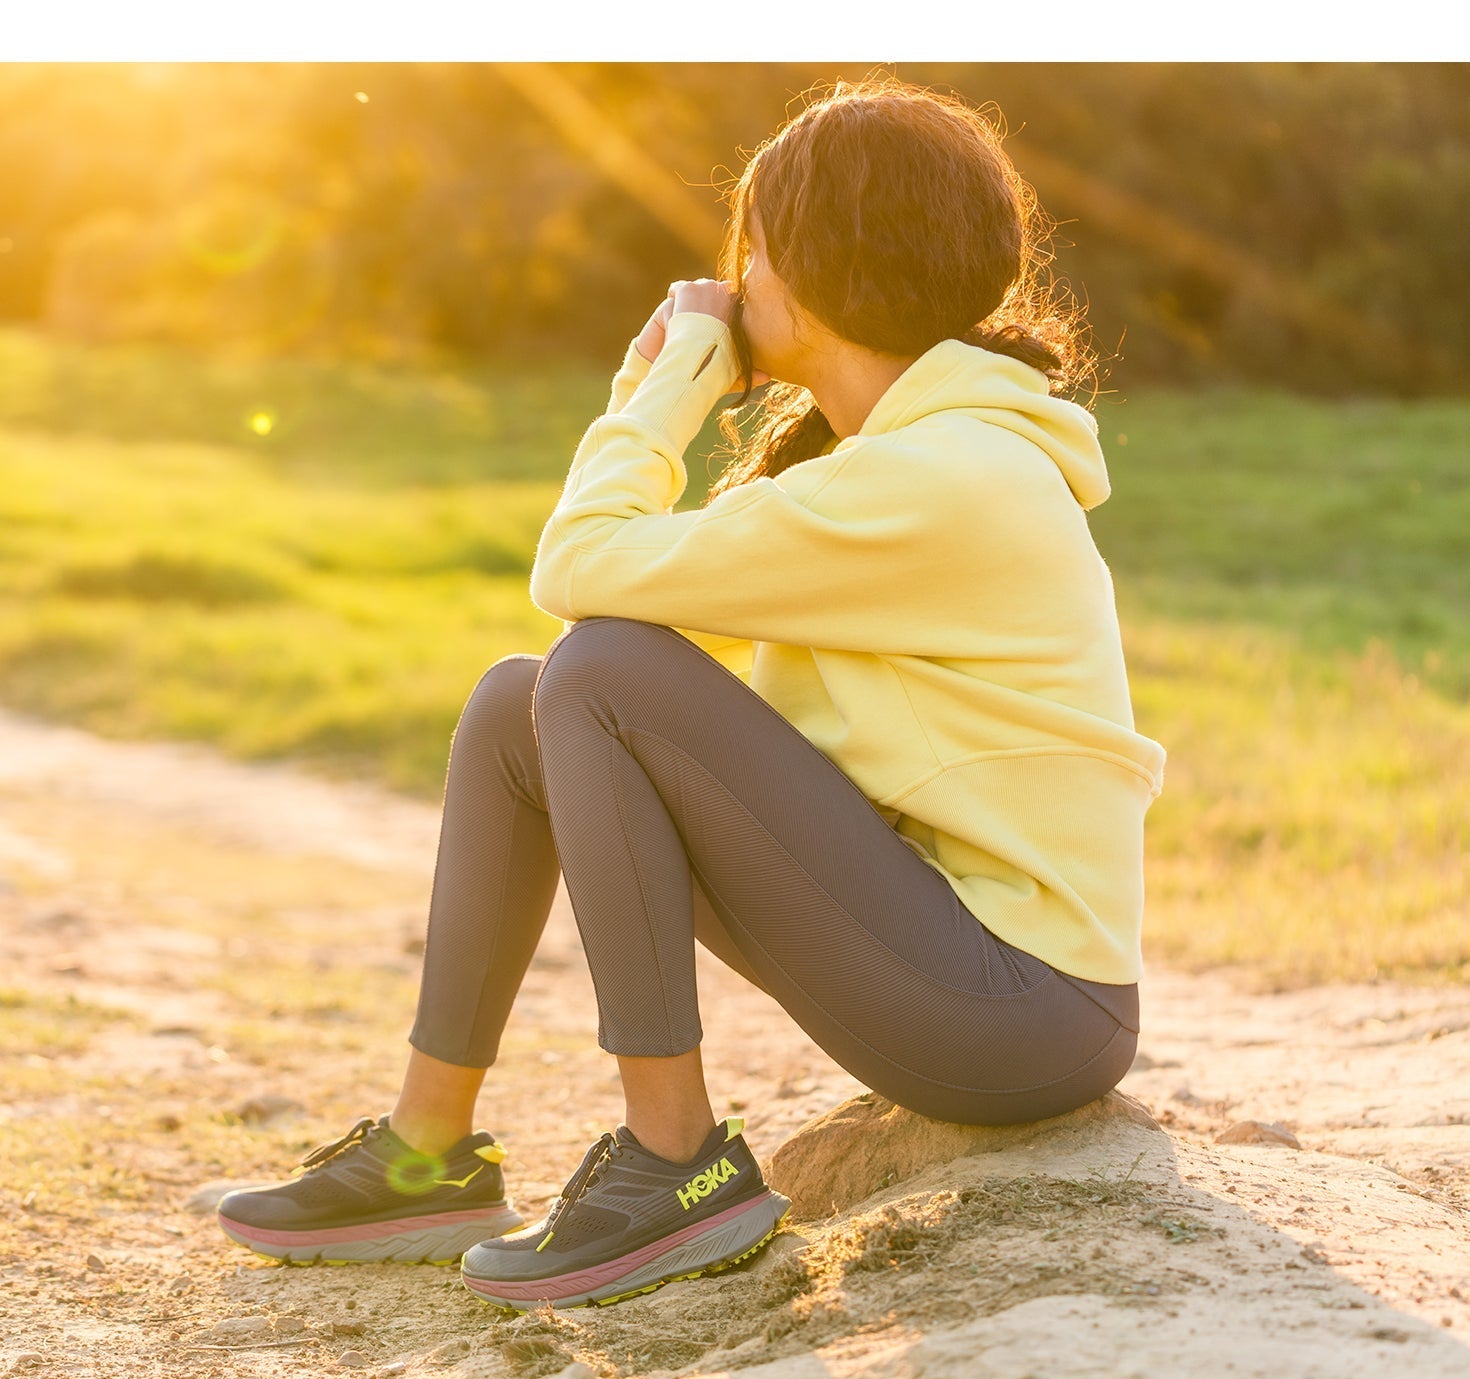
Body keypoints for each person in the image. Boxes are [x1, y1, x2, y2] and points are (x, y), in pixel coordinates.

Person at [216, 76, 1167, 1312]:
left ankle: (675, 1163)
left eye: (750, 252)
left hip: (1019, 1012)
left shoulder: (943, 478)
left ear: (807, 273)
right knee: (524, 705)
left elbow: (581, 571)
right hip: (956, 971)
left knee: (600, 670)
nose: (733, 281)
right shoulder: (903, 461)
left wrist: (661, 387)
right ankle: (425, 1152)